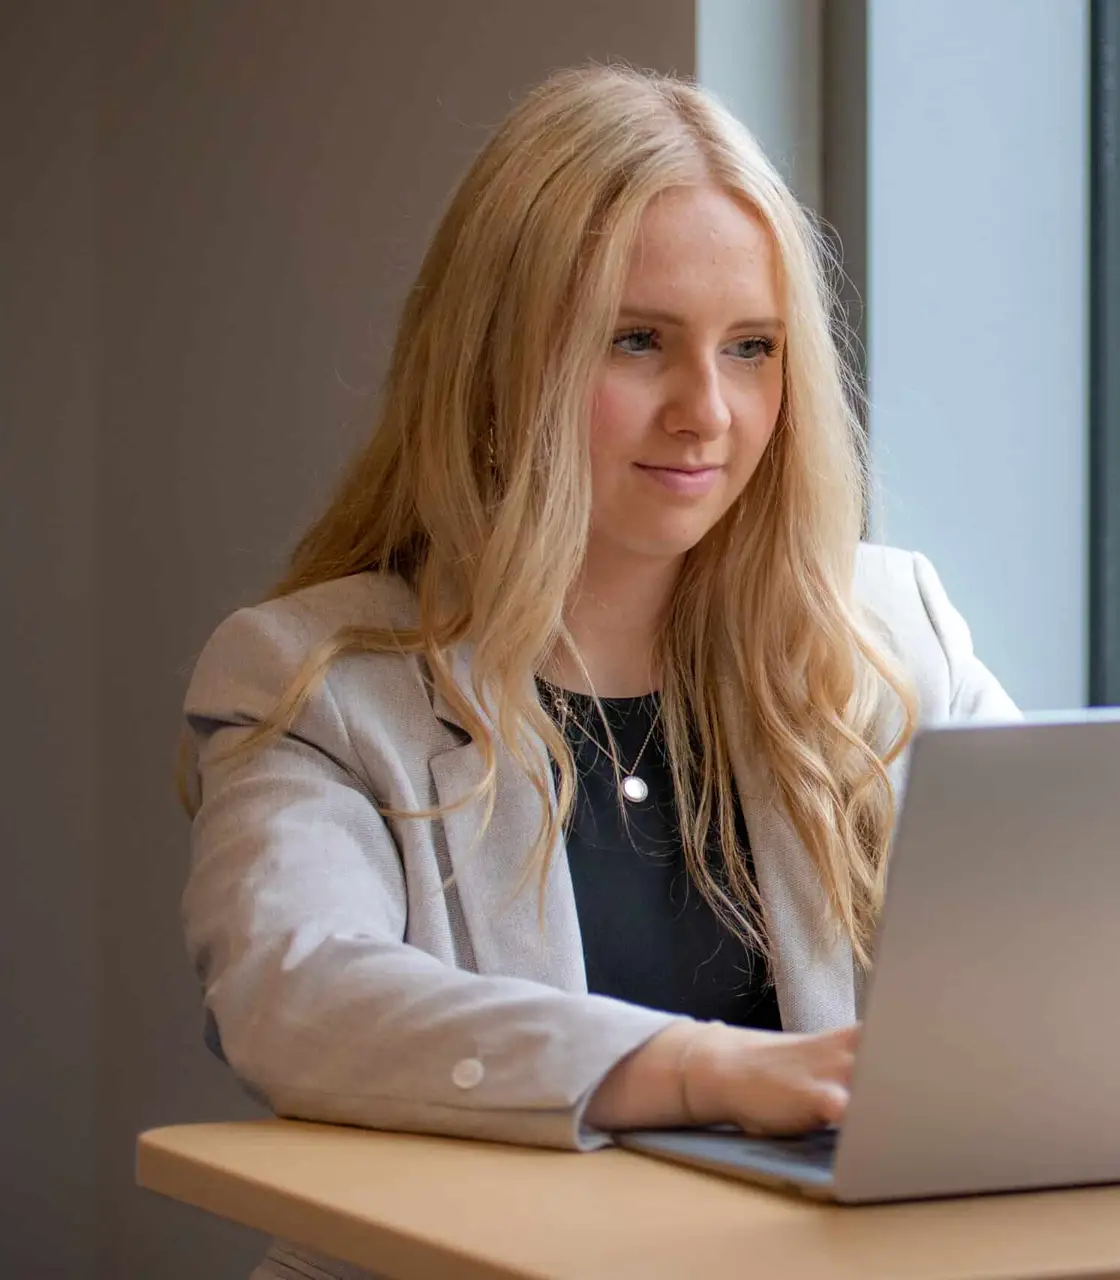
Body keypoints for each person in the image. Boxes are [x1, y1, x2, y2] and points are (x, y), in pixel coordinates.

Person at [178, 64, 1015, 1280]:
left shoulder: (890, 628)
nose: (708, 411)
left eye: (752, 349)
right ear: (498, 361)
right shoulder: (312, 681)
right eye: (639, 341)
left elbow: (1069, 934)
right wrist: (702, 1068)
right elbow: (300, 997)